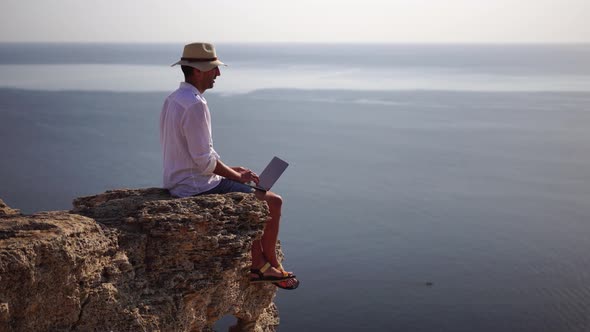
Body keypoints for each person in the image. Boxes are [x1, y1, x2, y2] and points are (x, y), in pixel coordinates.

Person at [160, 42, 298, 290]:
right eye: (214, 69)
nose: (218, 74)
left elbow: (196, 153)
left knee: (256, 195)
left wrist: (234, 170)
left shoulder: (174, 99)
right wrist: (236, 176)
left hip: (182, 179)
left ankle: (264, 263)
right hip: (196, 186)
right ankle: (265, 266)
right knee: (272, 202)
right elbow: (204, 160)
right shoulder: (195, 104)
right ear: (198, 70)